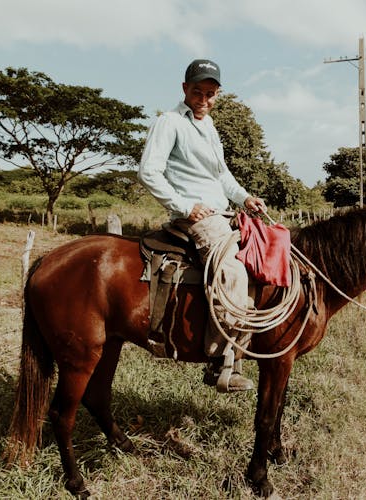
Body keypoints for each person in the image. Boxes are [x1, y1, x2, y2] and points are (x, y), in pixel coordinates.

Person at [137, 59, 267, 392]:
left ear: (217, 94)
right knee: (233, 272)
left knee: (262, 256)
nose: (204, 100)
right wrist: (183, 206)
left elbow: (222, 176)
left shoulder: (209, 127)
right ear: (184, 89)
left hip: (222, 212)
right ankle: (221, 362)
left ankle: (248, 338)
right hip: (195, 215)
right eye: (198, 92)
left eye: (210, 94)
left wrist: (245, 198)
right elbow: (149, 171)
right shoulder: (169, 122)